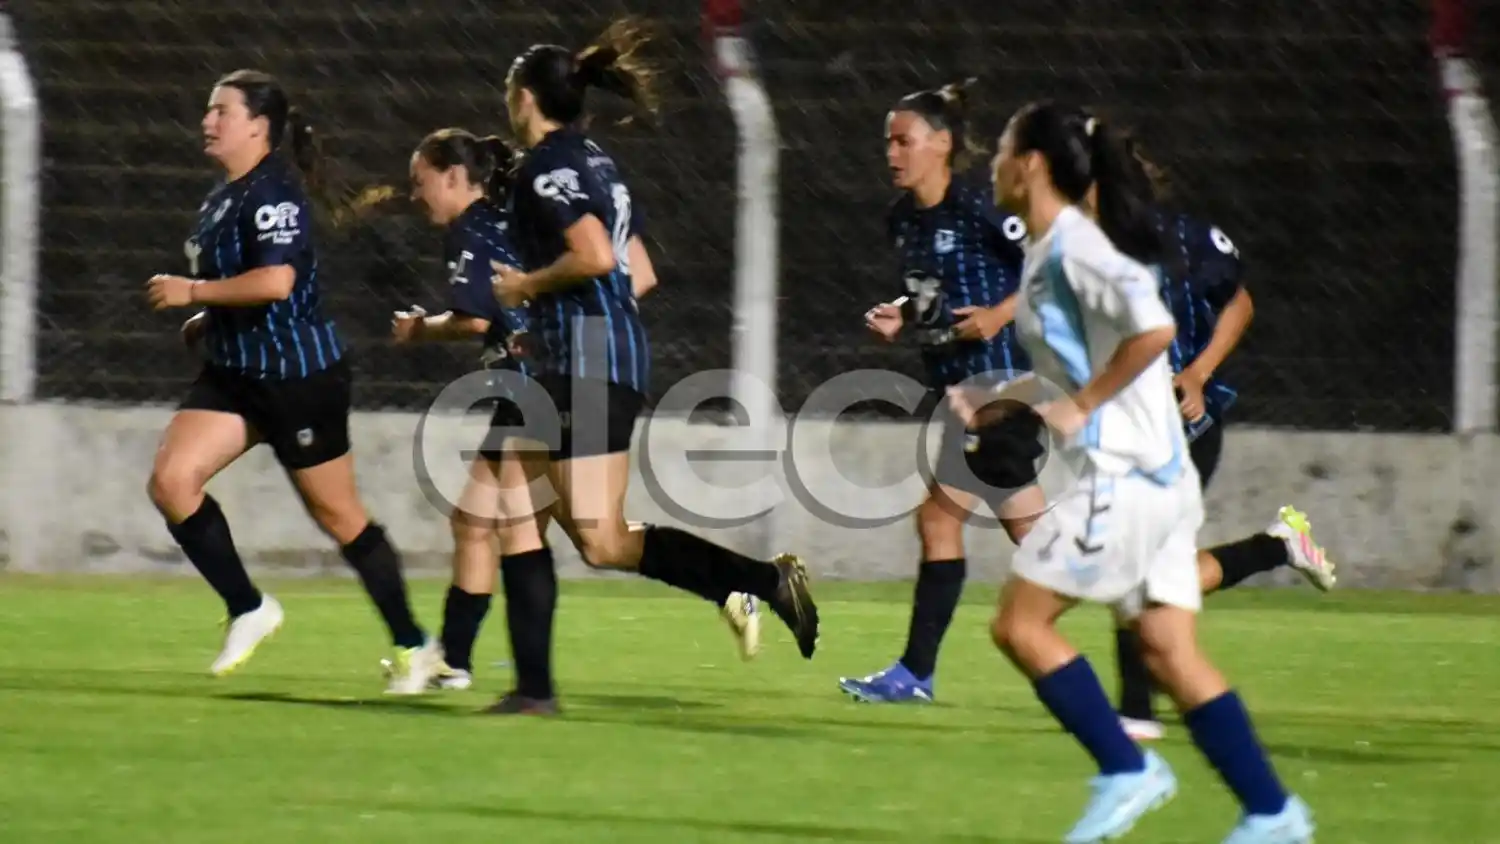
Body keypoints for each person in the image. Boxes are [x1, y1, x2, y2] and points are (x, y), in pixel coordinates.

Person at [964, 101, 1315, 843]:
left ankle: (1129, 771)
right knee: (1170, 653)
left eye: (1000, 148)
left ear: (1030, 164)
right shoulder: (1053, 250)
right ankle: (1274, 815)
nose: (991, 162)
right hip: (1161, 481)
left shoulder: (1075, 251)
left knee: (1020, 626)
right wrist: (1011, 396)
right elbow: (1090, 358)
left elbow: (1153, 331)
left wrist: (1081, 406)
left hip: (1122, 481)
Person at [484, 19, 816, 714]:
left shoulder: (546, 168)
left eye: (511, 92)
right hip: (599, 350)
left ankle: (761, 581)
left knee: (596, 537)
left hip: (586, 357)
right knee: (524, 506)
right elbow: (639, 271)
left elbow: (599, 257)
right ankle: (532, 689)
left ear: (525, 99)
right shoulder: (598, 162)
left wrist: (527, 290)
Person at [144, 69, 442, 694]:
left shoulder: (274, 192)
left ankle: (416, 648)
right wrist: (210, 316)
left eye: (221, 110)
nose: (208, 121)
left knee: (340, 518)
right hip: (233, 374)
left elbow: (276, 282)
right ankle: (249, 607)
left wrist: (192, 292)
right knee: (172, 482)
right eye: (209, 110)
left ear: (258, 126)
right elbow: (249, 285)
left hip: (296, 378)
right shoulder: (222, 196)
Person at [838, 79, 1049, 705]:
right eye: (888, 142)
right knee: (1029, 536)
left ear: (941, 144)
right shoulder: (903, 220)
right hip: (965, 392)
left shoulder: (983, 206)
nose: (892, 153)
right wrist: (902, 313)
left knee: (949, 522)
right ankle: (1150, 594)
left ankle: (915, 673)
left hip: (1006, 386)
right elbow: (932, 289)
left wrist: (999, 314)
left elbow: (1055, 266)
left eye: (904, 140)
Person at [1111, 185, 1337, 740]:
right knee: (1154, 570)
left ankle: (1137, 711)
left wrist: (1197, 373)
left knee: (1135, 558)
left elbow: (1239, 301)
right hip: (1125, 428)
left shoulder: (1184, 238)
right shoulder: (1077, 246)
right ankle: (1275, 545)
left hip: (1189, 424)